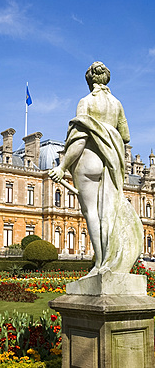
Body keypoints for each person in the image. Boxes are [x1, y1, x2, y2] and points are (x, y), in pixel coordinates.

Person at [49, 61, 143, 275]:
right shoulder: (117, 104)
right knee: (108, 212)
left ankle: (100, 263)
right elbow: (126, 136)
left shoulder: (85, 102)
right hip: (112, 162)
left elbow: (79, 140)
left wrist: (62, 166)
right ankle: (112, 261)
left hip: (90, 160)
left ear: (89, 80)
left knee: (91, 212)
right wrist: (108, 131)